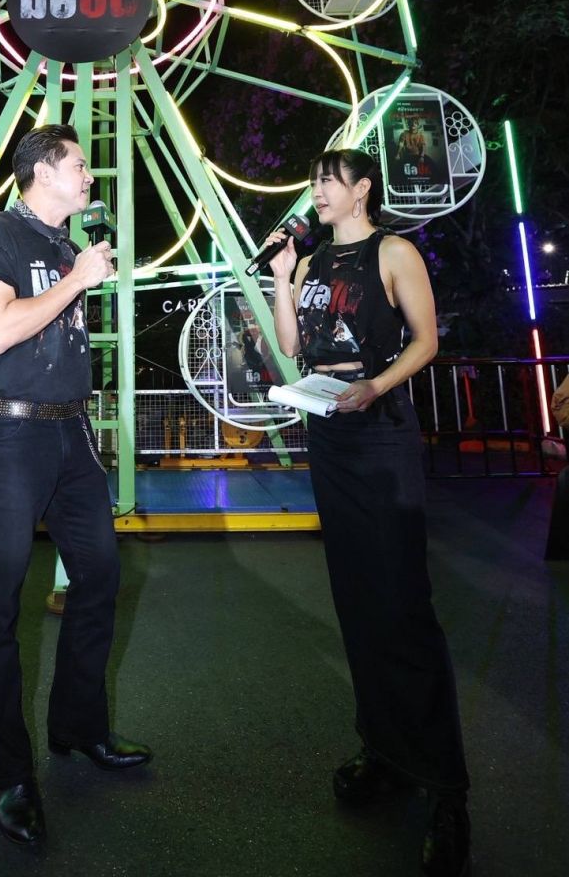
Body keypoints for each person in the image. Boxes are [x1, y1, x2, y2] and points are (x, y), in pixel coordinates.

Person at [265, 148, 470, 877]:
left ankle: (446, 789)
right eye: (313, 181)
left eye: (329, 181)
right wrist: (282, 279)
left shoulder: (393, 252)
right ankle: (384, 749)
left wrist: (376, 388)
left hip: (377, 427)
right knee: (356, 600)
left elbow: (426, 341)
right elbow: (292, 347)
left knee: (402, 606)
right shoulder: (313, 262)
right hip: (328, 426)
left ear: (361, 190)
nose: (317, 191)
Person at [0, 124, 151, 847]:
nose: (90, 177)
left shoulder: (70, 247)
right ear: (42, 172)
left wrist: (76, 271)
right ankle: (9, 774)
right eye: (79, 165)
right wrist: (76, 281)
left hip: (71, 432)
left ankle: (79, 727)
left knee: (99, 577)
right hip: (12, 439)